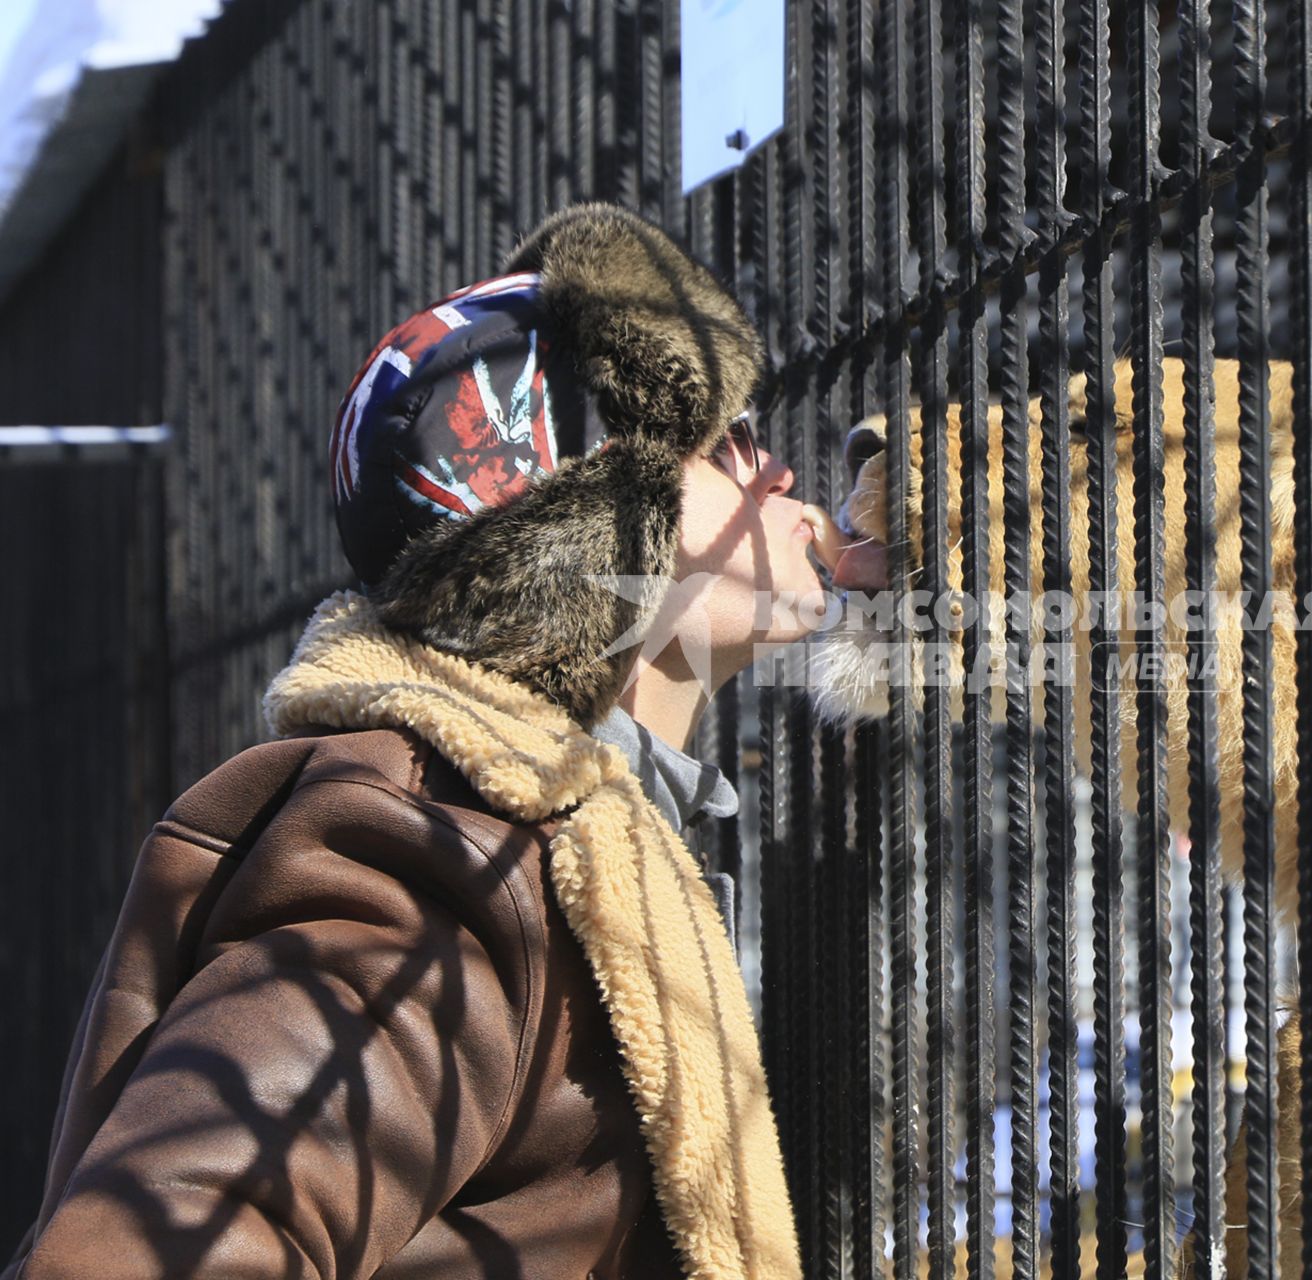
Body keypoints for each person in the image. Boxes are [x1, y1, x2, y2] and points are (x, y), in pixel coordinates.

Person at [5, 204, 845, 1279]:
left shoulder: (537, 832)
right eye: (716, 441)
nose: (771, 467)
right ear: (582, 536)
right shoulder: (436, 859)